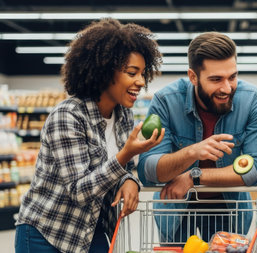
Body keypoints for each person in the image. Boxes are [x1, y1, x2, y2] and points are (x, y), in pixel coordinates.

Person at [15, 18, 164, 253]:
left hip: (91, 227)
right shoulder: (68, 116)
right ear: (104, 72)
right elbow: (78, 190)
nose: (141, 81)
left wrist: (129, 180)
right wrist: (126, 155)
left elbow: (120, 172)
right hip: (47, 233)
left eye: (143, 73)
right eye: (132, 72)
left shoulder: (123, 115)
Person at [137, 32, 257, 243]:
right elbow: (148, 170)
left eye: (233, 77)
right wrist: (192, 152)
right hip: (175, 208)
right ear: (193, 77)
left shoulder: (251, 99)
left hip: (229, 208)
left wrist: (194, 176)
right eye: (216, 79)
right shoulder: (166, 101)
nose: (227, 88)